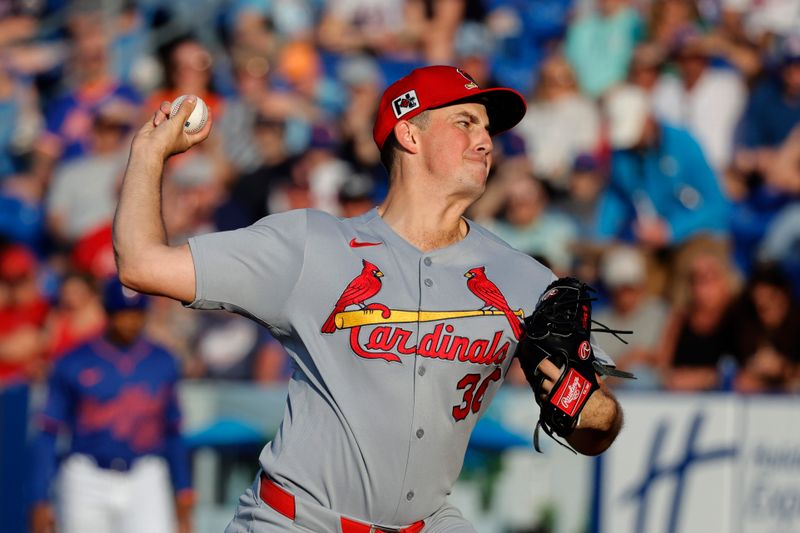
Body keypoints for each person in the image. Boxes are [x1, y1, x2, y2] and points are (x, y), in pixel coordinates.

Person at [113, 65, 624, 532]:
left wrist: (588, 406)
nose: (485, 140)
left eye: (488, 129)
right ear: (408, 132)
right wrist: (148, 154)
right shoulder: (311, 246)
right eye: (466, 122)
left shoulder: (525, 279)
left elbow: (594, 430)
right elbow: (141, 263)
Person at [29, 277, 193, 533]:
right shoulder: (73, 360)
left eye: (136, 313)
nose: (130, 321)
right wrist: (39, 497)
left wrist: (183, 487)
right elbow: (48, 432)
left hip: (146, 474)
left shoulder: (163, 361)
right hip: (86, 474)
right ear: (107, 312)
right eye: (122, 313)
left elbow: (173, 430)